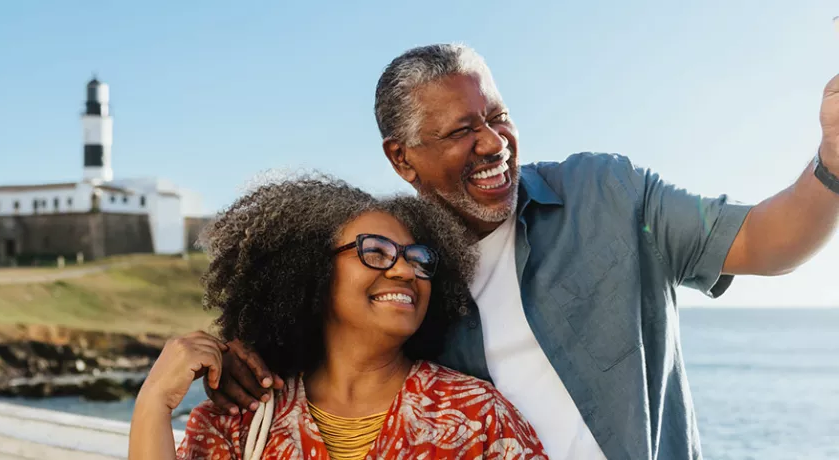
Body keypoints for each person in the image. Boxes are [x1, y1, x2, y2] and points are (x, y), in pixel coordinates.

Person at [209, 44, 839, 460]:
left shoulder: (606, 193)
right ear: (401, 158)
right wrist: (243, 355)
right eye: (460, 130)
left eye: (499, 115)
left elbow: (765, 240)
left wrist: (831, 163)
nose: (493, 142)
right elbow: (328, 356)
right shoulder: (404, 276)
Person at [128, 176, 549, 459]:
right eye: (376, 252)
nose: (405, 271)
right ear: (311, 271)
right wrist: (154, 403)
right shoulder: (238, 423)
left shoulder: (477, 417)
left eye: (419, 259)